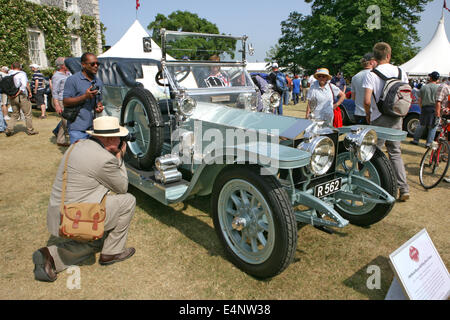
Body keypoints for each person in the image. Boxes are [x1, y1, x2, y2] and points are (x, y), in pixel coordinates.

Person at [32, 116, 137, 282]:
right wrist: (119, 157)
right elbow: (122, 187)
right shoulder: (105, 159)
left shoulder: (78, 145)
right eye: (119, 137)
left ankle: (50, 256)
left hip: (58, 214)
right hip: (73, 217)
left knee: (96, 241)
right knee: (128, 201)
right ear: (109, 139)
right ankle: (112, 252)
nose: (121, 140)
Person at [362, 42, 410, 201]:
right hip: (397, 116)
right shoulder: (401, 71)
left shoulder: (372, 74)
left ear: (375, 57)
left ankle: (373, 187)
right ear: (389, 55)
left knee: (373, 152)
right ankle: (403, 189)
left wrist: (368, 114)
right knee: (395, 153)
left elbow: (367, 100)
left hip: (378, 117)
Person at [63, 52, 104, 144]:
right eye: (92, 64)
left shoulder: (98, 82)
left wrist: (99, 107)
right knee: (79, 157)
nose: (96, 66)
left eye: (98, 63)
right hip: (77, 128)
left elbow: (99, 101)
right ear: (83, 64)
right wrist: (85, 97)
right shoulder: (73, 80)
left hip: (94, 129)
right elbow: (65, 102)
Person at [4, 62, 38, 137]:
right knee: (27, 114)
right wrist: (29, 92)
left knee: (15, 114)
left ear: (12, 67)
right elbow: (24, 85)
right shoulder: (22, 74)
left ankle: (9, 129)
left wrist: (10, 95)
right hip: (21, 96)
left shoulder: (9, 74)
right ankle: (30, 130)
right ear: (20, 67)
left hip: (11, 96)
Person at [410, 71, 440, 147]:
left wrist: (421, 107)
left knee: (421, 124)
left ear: (430, 78)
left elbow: (420, 99)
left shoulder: (424, 87)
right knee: (433, 126)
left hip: (425, 107)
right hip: (434, 108)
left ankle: (415, 140)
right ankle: (429, 143)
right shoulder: (439, 88)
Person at [351, 52, 378, 124]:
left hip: (358, 113)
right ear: (372, 62)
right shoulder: (375, 75)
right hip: (372, 113)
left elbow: (353, 98)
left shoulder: (355, 77)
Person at [51, 57, 71, 146]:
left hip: (68, 99)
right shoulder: (56, 76)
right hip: (61, 100)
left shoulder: (67, 74)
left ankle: (60, 139)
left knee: (65, 120)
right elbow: (55, 91)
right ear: (62, 65)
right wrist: (57, 105)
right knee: (66, 121)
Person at [434, 75, 450, 183]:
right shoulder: (444, 86)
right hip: (446, 118)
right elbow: (442, 102)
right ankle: (437, 156)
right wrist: (441, 112)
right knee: (442, 138)